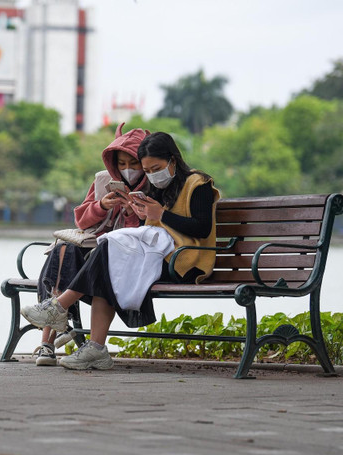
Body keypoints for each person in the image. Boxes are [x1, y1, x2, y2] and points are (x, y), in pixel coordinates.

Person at [22, 132, 220, 370]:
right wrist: (141, 214)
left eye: (156, 168)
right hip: (160, 257)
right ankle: (95, 348)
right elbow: (155, 231)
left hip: (186, 262)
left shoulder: (198, 184)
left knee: (109, 249)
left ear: (173, 160)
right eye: (147, 171)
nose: (151, 175)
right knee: (107, 260)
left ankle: (59, 308)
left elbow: (202, 228)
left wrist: (160, 215)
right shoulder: (160, 188)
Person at [32, 123, 151, 366]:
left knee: (79, 256)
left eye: (134, 164)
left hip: (120, 253)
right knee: (63, 250)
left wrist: (130, 212)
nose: (127, 170)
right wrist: (102, 206)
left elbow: (142, 235)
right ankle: (48, 340)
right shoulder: (103, 180)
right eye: (121, 164)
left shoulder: (152, 185)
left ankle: (52, 326)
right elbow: (81, 220)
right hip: (91, 246)